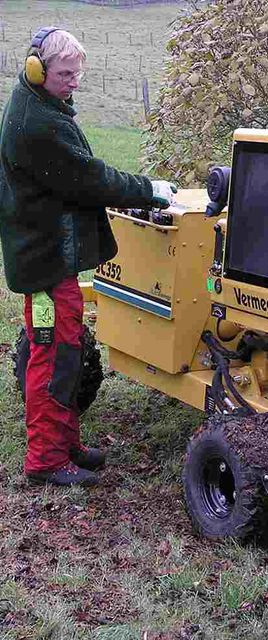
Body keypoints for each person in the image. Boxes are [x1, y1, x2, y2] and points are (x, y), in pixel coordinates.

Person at [0, 27, 177, 487]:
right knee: (53, 358)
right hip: (47, 263)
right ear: (37, 68)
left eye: (79, 73)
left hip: (49, 258)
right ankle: (45, 460)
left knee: (66, 352)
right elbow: (89, 178)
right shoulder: (37, 124)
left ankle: (65, 443)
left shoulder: (40, 103)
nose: (74, 81)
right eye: (65, 73)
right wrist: (150, 190)